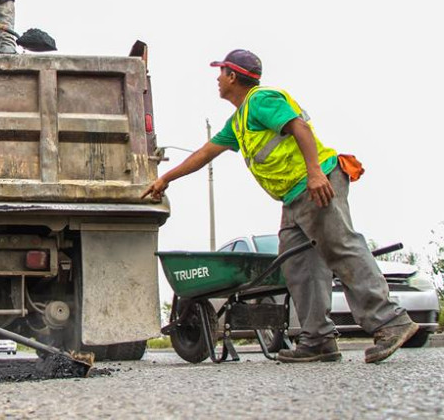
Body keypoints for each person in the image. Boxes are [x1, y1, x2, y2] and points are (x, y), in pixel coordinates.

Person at [143, 49, 418, 364]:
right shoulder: (239, 121)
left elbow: (299, 127)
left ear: (233, 76)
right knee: (301, 268)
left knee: (341, 247)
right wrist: (166, 178)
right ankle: (318, 341)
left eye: (220, 72)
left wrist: (315, 173)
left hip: (316, 184)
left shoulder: (262, 100)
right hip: (293, 199)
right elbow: (204, 153)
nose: (217, 79)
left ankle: (389, 321)